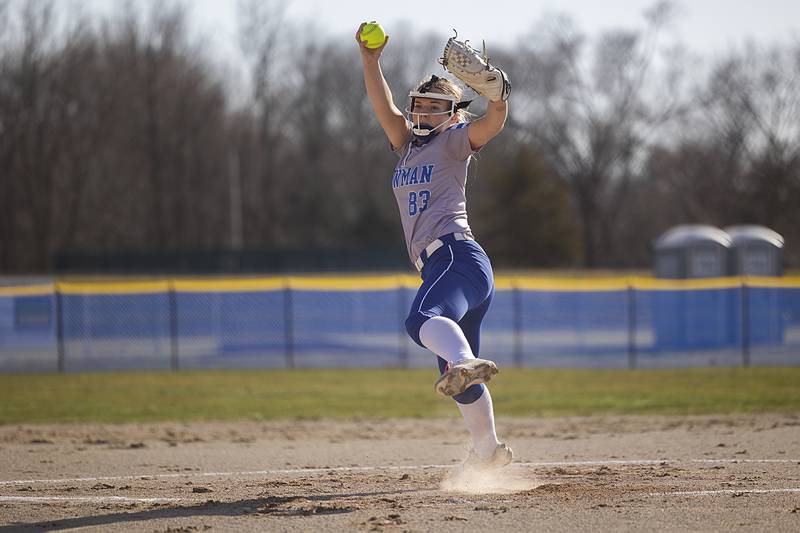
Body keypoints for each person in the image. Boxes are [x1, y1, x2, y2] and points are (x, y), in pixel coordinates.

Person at [356, 23, 512, 468]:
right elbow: (383, 106)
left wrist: (498, 97)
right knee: (453, 374)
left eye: (434, 107)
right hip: (451, 269)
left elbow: (492, 124)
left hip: (455, 257)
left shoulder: (452, 141)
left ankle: (467, 361)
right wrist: (371, 61)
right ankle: (489, 453)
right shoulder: (406, 146)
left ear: (453, 114)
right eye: (419, 106)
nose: (423, 113)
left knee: (422, 319)